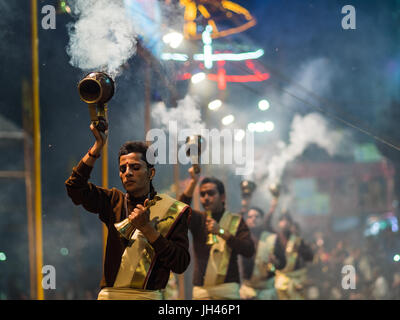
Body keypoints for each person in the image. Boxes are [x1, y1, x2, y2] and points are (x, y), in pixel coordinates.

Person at [65, 120, 191, 300]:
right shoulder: (113, 200)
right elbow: (74, 188)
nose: (128, 172)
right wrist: (98, 147)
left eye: (135, 167)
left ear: (151, 173)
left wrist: (148, 230)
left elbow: (180, 264)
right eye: (123, 168)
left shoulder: (173, 210)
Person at [180, 167, 255, 299]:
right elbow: (179, 212)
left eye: (211, 193)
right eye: (202, 194)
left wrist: (221, 232)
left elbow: (249, 250)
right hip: (202, 290)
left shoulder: (235, 221)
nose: (206, 198)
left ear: (222, 196)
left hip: (227, 289)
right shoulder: (198, 219)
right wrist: (193, 182)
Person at [265, 211, 314, 300]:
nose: (285, 222)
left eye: (287, 220)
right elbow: (273, 267)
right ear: (279, 223)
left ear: (290, 223)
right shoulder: (275, 240)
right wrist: (274, 263)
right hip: (280, 284)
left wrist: (300, 249)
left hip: (296, 283)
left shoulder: (297, 240)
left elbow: (310, 257)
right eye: (282, 220)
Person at [239, 201, 280, 300]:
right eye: (250, 217)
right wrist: (243, 208)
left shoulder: (271, 238)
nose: (253, 219)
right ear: (246, 220)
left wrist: (275, 262)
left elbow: (282, 263)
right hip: (247, 291)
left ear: (262, 219)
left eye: (256, 217)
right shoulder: (242, 238)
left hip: (267, 292)